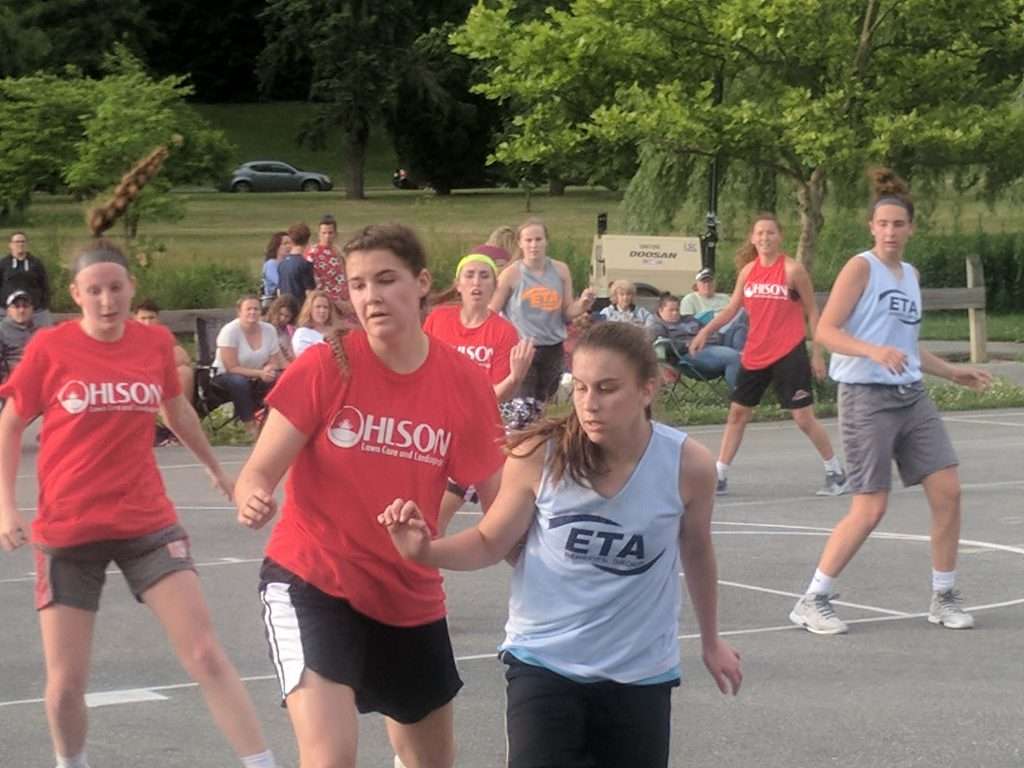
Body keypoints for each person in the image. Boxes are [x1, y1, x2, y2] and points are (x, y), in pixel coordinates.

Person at [0, 146, 277, 768]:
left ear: (131, 290)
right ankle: (72, 763)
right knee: (65, 682)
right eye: (93, 291)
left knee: (205, 652)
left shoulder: (152, 344)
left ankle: (261, 761)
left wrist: (218, 472)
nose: (106, 300)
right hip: (68, 530)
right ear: (75, 293)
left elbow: (175, 410)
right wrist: (6, 507)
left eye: (115, 289)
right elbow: (12, 419)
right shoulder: (51, 348)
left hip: (146, 522)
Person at [379, 322, 743, 768]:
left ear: (647, 390)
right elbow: (490, 541)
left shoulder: (687, 465)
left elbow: (698, 551)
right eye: (581, 388)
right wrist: (425, 552)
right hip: (545, 661)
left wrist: (711, 641)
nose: (590, 404)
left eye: (607, 389)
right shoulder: (540, 455)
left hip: (640, 670)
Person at [233, 223, 506, 768]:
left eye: (386, 280)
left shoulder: (463, 384)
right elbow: (257, 472)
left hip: (407, 592)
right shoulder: (327, 366)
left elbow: (501, 509)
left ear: (422, 282)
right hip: (313, 578)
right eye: (358, 285)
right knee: (331, 758)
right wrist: (254, 495)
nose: (371, 296)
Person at [788, 169, 992, 635]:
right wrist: (872, 350)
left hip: (911, 396)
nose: (891, 232)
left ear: (911, 229)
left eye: (899, 225)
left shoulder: (911, 275)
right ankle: (813, 598)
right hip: (866, 398)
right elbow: (825, 331)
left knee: (948, 492)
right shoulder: (861, 268)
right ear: (872, 228)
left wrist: (951, 371)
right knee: (870, 508)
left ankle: (943, 595)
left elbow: (906, 344)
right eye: (883, 224)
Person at [690, 213, 848, 497]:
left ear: (780, 237)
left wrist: (817, 353)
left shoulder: (792, 270)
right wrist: (705, 331)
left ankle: (835, 471)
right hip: (755, 351)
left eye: (770, 233)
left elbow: (813, 311)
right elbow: (732, 308)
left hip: (789, 350)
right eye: (760, 233)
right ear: (753, 238)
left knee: (802, 417)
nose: (765, 238)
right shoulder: (748, 272)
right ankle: (720, 475)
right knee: (738, 413)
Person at [424, 245, 535, 531]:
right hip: (434, 431)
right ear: (458, 284)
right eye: (470, 275)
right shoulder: (438, 320)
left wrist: (513, 379)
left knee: (499, 525)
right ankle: (416, 567)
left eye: (484, 276)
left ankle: (534, 563)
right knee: (429, 521)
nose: (476, 282)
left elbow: (495, 395)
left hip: (477, 433)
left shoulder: (502, 331)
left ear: (494, 286)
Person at [490, 218, 596, 422]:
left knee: (541, 405)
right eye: (528, 240)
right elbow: (492, 312)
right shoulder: (511, 274)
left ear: (546, 241)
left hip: (553, 347)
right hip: (523, 349)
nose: (533, 245)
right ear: (520, 243)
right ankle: (520, 447)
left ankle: (534, 448)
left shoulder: (560, 270)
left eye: (538, 239)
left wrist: (583, 303)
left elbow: (567, 312)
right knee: (524, 409)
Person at [213, 295, 288, 438]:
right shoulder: (230, 331)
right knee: (238, 381)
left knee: (280, 378)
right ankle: (250, 426)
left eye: (256, 309)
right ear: (239, 312)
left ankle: (275, 424)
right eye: (248, 309)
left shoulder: (269, 330)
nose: (253, 312)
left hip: (257, 374)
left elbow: (274, 360)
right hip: (225, 376)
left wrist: (269, 369)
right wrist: (260, 373)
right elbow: (231, 367)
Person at [646, 292, 740, 390]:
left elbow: (710, 332)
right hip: (691, 356)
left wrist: (708, 339)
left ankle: (741, 361)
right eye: (671, 310)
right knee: (733, 357)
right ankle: (740, 397)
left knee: (739, 326)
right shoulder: (658, 325)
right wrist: (688, 345)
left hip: (713, 346)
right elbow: (663, 345)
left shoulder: (689, 319)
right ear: (660, 310)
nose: (675, 313)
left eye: (677, 310)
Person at [134, 299, 194, 405]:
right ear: (135, 319)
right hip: (136, 374)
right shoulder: (129, 334)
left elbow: (183, 358)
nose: (147, 322)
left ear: (158, 318)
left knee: (184, 372)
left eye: (151, 318)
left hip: (160, 370)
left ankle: (181, 414)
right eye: (143, 318)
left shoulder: (163, 334)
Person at [680, 268, 747, 351]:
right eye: (703, 282)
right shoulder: (690, 299)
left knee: (741, 321)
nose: (707, 285)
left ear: (715, 283)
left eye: (710, 281)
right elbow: (687, 325)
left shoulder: (725, 298)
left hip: (727, 331)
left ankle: (740, 357)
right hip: (707, 335)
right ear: (697, 284)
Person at [2, 231, 52, 326]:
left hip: (35, 311)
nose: (20, 244)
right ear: (10, 245)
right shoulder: (3, 264)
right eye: (17, 242)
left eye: (23, 241)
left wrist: (42, 305)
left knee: (47, 330)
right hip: (7, 312)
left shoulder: (36, 263)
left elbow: (44, 286)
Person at [0, 290, 39, 385]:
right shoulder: (2, 330)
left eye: (25, 306)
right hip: (11, 379)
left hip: (37, 378)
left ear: (32, 309)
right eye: (17, 306)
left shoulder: (40, 331)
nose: (21, 310)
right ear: (8, 311)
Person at [291, 289, 339, 358]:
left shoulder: (335, 331)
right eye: (318, 307)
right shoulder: (302, 333)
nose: (322, 311)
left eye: (326, 307)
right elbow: (305, 359)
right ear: (309, 309)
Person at [276, 222, 316, 306]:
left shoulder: (282, 264)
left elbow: (279, 291)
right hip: (299, 307)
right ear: (307, 241)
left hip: (285, 307)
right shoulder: (305, 264)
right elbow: (309, 293)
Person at [265, 294, 299, 364]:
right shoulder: (266, 326)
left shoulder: (291, 330)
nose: (282, 318)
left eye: (287, 316)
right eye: (280, 314)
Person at [261, 231, 291, 309]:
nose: (289, 246)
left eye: (290, 243)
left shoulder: (288, 263)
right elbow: (280, 282)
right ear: (277, 246)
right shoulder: (271, 264)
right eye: (285, 243)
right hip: (273, 303)